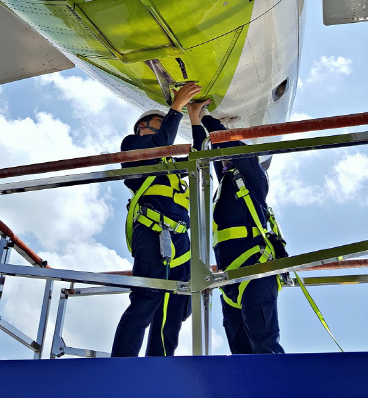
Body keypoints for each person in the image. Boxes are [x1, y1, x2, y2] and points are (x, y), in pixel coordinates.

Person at [111, 82, 205, 357]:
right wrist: (176, 107)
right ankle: (122, 365)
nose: (165, 126)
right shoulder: (133, 146)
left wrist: (195, 118)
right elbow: (160, 143)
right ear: (142, 127)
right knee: (146, 300)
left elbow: (202, 156)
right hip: (153, 233)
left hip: (180, 241)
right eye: (158, 122)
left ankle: (160, 363)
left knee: (177, 305)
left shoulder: (170, 165)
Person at [187, 101, 285, 354]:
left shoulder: (255, 178)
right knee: (240, 352)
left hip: (255, 269)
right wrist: (195, 121)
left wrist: (208, 118)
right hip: (230, 278)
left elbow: (231, 144)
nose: (224, 158)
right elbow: (203, 155)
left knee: (264, 344)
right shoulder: (227, 184)